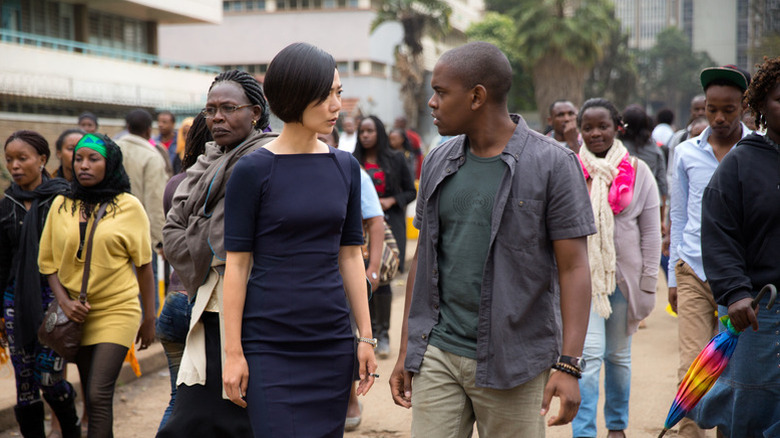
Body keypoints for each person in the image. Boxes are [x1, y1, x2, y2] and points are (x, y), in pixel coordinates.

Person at [389, 41, 595, 437]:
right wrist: (407, 352)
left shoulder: (553, 164)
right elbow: (424, 259)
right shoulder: (437, 160)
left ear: (477, 96)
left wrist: (568, 365)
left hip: (515, 361)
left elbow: (574, 268)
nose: (431, 103)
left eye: (441, 92)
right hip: (439, 354)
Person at [221, 42, 377, 438]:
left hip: (331, 340)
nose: (336, 105)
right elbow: (236, 265)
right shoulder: (252, 170)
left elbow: (350, 256)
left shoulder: (345, 167)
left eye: (338, 93)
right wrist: (233, 353)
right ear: (294, 94)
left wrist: (366, 337)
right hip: (270, 343)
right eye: (326, 95)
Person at [157, 69, 274, 437]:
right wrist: (198, 236)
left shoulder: (262, 159)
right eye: (210, 110)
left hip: (248, 310)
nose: (217, 118)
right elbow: (171, 230)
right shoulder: (206, 161)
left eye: (228, 108)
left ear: (255, 112)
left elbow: (225, 241)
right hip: (204, 306)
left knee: (231, 416)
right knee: (193, 418)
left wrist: (195, 233)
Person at [38, 133, 156, 438]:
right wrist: (65, 303)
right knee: (91, 394)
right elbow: (48, 263)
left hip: (118, 309)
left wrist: (149, 318)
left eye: (94, 159)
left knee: (98, 394)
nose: (84, 166)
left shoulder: (129, 206)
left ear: (110, 163)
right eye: (79, 159)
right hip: (76, 314)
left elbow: (144, 266)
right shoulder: (61, 204)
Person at [692, 55, 780, 438]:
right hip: (758, 313)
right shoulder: (740, 164)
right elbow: (718, 235)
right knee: (749, 412)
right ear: (759, 105)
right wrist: (736, 294)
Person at [667, 64, 752, 438]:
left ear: (744, 107)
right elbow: (680, 215)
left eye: (728, 110)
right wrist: (673, 274)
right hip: (694, 272)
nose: (718, 118)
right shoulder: (685, 153)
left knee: (733, 370)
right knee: (692, 369)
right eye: (710, 110)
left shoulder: (759, 151)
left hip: (740, 278)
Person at [571, 99, 661, 438]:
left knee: (619, 357)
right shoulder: (568, 170)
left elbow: (651, 231)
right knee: (589, 357)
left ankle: (617, 426)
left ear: (616, 128)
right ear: (580, 131)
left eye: (602, 126)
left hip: (625, 282)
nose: (596, 133)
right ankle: (584, 432)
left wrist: (649, 280)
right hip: (583, 280)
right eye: (588, 127)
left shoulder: (638, 171)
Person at [1, 131, 77, 438]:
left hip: (54, 298)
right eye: (9, 160)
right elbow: (1, 264)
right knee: (26, 386)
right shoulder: (6, 207)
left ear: (42, 159)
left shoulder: (63, 199)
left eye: (23, 158)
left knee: (50, 379)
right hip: (15, 301)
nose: (15, 166)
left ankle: (71, 430)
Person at [318, 127, 384, 432]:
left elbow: (374, 220)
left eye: (324, 142)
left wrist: (372, 266)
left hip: (340, 273)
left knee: (344, 335)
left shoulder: (348, 169)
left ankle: (349, 400)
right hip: (303, 277)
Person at [155, 113, 211, 431]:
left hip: (175, 303)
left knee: (179, 399)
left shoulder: (175, 183)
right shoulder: (225, 181)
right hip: (202, 305)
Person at [353, 115, 416, 358]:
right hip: (360, 230)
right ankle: (368, 332)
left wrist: (391, 201)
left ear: (379, 132)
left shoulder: (396, 158)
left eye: (369, 131)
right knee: (362, 276)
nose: (365, 135)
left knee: (384, 277)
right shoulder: (352, 161)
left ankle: (385, 332)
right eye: (362, 132)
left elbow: (410, 191)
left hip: (390, 226)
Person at [620, 104, 668, 211]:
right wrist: (662, 214)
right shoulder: (655, 150)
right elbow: (662, 183)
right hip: (649, 203)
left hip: (622, 204)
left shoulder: (617, 148)